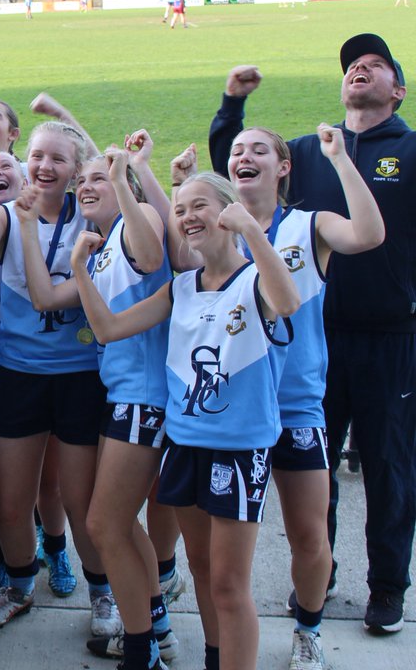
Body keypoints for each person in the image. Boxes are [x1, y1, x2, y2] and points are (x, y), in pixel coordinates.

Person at [208, 33, 415, 635]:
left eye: (376, 65)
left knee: (388, 467)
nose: (361, 69)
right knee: (316, 482)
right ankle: (316, 585)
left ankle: (387, 587)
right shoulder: (306, 148)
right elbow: (236, 166)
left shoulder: (409, 149)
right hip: (310, 347)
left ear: (396, 91)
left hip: (388, 336)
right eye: (353, 63)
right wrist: (232, 105)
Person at [74, 171, 300, 670]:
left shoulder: (257, 279)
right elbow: (109, 329)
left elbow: (286, 302)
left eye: (199, 206)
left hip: (239, 452)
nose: (187, 216)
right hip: (184, 443)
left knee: (227, 583)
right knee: (199, 567)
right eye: (179, 210)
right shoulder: (181, 288)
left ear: (226, 209)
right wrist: (80, 270)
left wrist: (253, 230)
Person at [221, 124, 384, 670]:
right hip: (233, 409)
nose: (245, 156)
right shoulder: (216, 228)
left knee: (310, 536)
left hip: (295, 406)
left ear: (283, 166)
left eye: (259, 150)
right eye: (238, 150)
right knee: (222, 548)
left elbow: (368, 234)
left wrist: (339, 159)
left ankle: (308, 629)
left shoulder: (308, 226)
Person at [13, 147, 178, 670]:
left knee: (105, 524)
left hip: (144, 399)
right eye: (81, 180)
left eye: (96, 179)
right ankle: (156, 630)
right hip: (119, 398)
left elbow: (153, 256)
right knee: (120, 524)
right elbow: (43, 295)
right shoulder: (103, 250)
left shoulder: (134, 229)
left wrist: (124, 180)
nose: (86, 185)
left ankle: (140, 649)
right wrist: (25, 224)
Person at [0, 123, 121, 642]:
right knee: (11, 499)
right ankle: (21, 585)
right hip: (19, 373)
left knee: (79, 498)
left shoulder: (91, 216)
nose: (45, 167)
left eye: (58, 159)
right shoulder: (8, 214)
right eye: (37, 157)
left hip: (79, 376)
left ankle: (103, 592)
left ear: (76, 170)